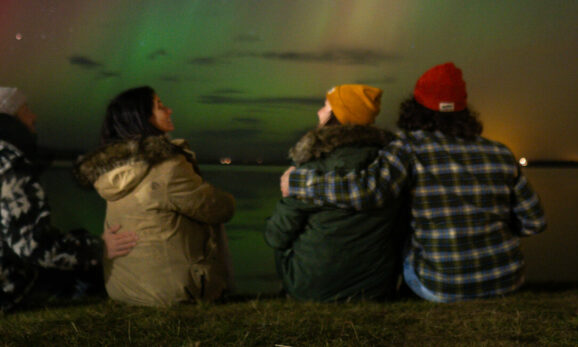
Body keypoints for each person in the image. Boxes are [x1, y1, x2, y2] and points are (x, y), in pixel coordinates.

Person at [282, 63, 546, 302]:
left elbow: (366, 191)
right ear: (464, 111)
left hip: (440, 287)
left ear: (415, 107)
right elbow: (535, 222)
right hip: (507, 279)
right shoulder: (500, 152)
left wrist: (298, 183)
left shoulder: (407, 148)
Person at [0, 87, 137, 313]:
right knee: (80, 254)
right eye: (25, 110)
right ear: (9, 118)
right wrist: (99, 248)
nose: (33, 117)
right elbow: (34, 245)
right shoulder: (8, 165)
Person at [73, 86, 235, 306]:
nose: (169, 110)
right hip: (170, 293)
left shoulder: (111, 171)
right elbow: (219, 208)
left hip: (123, 288)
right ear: (142, 118)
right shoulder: (166, 166)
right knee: (210, 214)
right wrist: (230, 200)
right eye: (160, 106)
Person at [264, 84, 405, 301]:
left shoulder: (313, 166)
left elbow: (277, 234)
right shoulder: (388, 166)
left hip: (312, 289)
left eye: (325, 106)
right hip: (376, 289)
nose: (319, 112)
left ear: (337, 115)